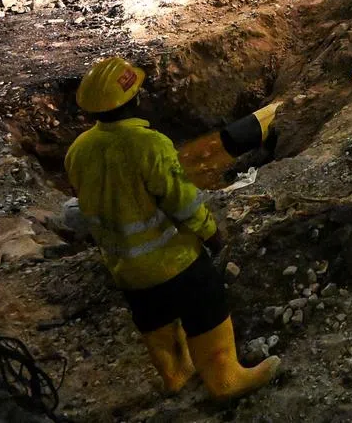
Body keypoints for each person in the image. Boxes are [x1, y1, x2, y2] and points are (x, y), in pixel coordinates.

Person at [65, 57, 280, 402]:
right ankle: (226, 381)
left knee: (155, 321)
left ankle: (177, 377)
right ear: (133, 99)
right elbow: (182, 201)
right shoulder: (149, 145)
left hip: (126, 270)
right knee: (206, 309)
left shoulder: (77, 151)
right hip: (174, 262)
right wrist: (211, 232)